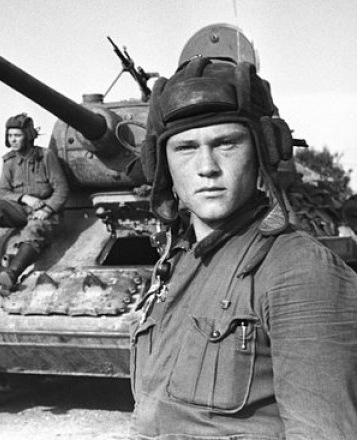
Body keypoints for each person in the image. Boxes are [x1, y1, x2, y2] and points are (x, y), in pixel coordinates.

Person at [130, 56, 357, 439]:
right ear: (161, 165)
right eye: (185, 148)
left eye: (226, 143)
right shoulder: (176, 263)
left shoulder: (300, 272)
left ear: (263, 150)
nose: (206, 167)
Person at [0, 113, 69, 295]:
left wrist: (48, 209)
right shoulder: (9, 161)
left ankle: (11, 274)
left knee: (34, 228)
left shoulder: (46, 156)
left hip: (46, 212)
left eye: (17, 135)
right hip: (21, 210)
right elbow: (3, 191)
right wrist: (24, 198)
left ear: (28, 135)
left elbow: (62, 189)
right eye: (10, 135)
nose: (13, 139)